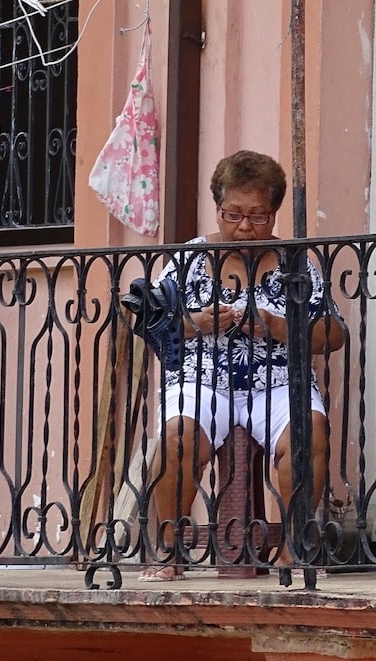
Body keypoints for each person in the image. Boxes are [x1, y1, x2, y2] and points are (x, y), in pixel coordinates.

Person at [140, 149, 345, 581]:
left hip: (278, 382)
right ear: (218, 209)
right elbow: (141, 316)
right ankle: (167, 549)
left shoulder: (297, 263)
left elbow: (334, 333)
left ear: (274, 214)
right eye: (233, 214)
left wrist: (280, 327)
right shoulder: (190, 259)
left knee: (309, 429)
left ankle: (295, 547)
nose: (245, 227)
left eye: (258, 216)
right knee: (177, 436)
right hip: (201, 378)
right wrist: (194, 323)